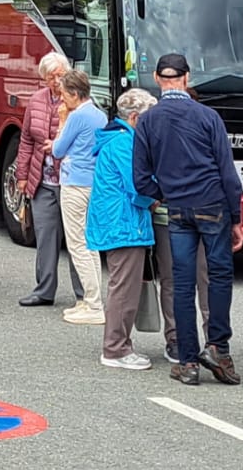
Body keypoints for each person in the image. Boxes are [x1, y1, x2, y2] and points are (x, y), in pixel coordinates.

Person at [132, 53, 243, 387]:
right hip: (213, 203)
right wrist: (236, 217)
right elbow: (227, 172)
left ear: (157, 78)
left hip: (177, 209)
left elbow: (140, 179)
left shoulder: (148, 120)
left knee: (181, 284)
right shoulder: (208, 116)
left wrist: (165, 193)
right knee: (219, 276)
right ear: (187, 77)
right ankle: (218, 348)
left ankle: (188, 361)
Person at [87, 87, 160, 370]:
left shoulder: (118, 140)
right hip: (124, 224)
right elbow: (139, 185)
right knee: (124, 290)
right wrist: (157, 197)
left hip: (119, 221)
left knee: (124, 287)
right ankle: (116, 348)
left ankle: (118, 344)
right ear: (135, 118)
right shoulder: (124, 144)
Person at [16, 51, 86, 309]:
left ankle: (84, 294)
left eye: (60, 75)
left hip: (71, 181)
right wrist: (22, 175)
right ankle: (44, 290)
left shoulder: (78, 102)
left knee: (76, 239)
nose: (56, 81)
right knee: (45, 236)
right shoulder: (36, 100)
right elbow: (26, 140)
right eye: (50, 77)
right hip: (42, 180)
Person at [51, 69, 107, 326]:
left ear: (75, 94)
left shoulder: (76, 116)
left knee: (77, 244)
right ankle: (92, 299)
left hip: (74, 181)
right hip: (92, 181)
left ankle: (93, 304)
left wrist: (62, 121)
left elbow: (58, 149)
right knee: (90, 243)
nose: (61, 98)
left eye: (64, 93)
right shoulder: (99, 114)